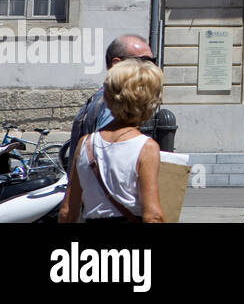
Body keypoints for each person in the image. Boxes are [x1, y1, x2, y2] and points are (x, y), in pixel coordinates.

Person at [59, 58, 165, 223]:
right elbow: (153, 216)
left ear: (108, 97)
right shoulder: (146, 148)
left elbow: (67, 212)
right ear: (150, 102)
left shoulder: (86, 143)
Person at [67, 34, 156, 162]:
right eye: (144, 61)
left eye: (152, 62)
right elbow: (111, 161)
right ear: (116, 65)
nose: (150, 68)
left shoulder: (98, 98)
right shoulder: (116, 105)